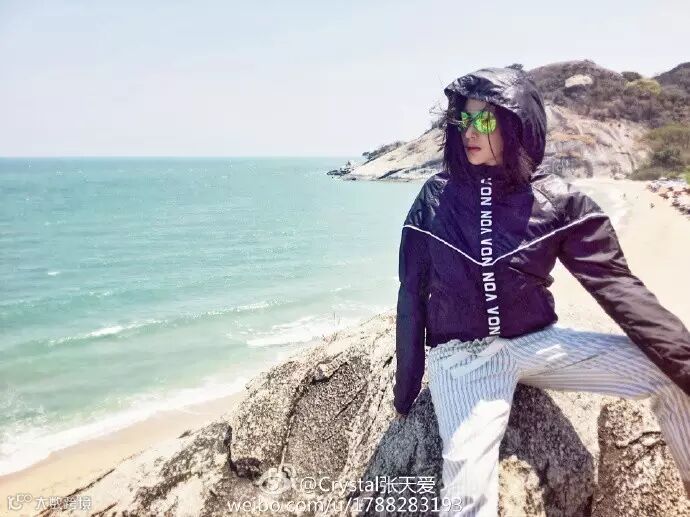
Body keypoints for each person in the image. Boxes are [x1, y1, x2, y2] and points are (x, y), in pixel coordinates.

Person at [392, 66, 690, 516]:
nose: (470, 131)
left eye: (485, 120)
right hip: (463, 358)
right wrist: (405, 392)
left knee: (670, 378)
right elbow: (411, 295)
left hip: (537, 344)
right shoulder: (435, 198)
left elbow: (616, 286)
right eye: (464, 119)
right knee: (467, 495)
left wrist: (684, 361)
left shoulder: (558, 200)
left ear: (517, 127)